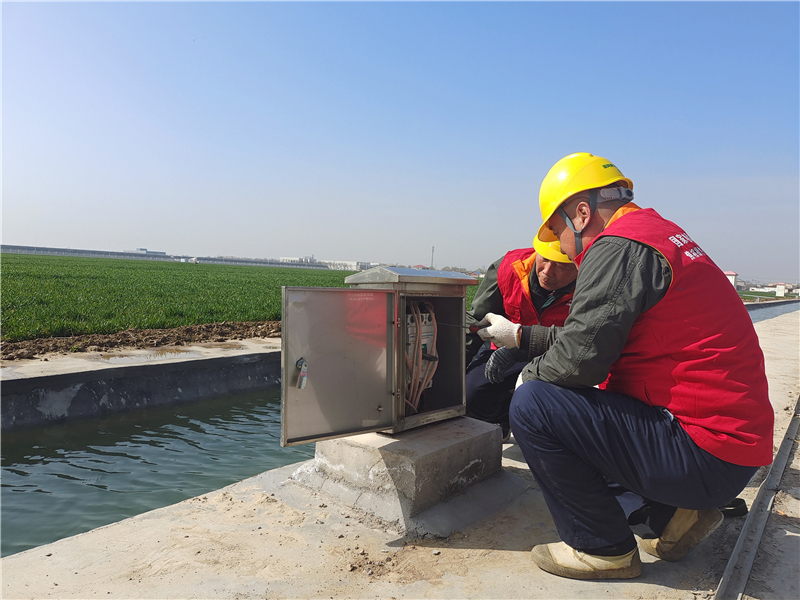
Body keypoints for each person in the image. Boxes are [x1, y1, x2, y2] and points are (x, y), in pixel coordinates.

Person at [475, 152, 773, 580]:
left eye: (557, 230)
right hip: (728, 449)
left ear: (581, 214)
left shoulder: (614, 247)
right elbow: (592, 337)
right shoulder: (653, 234)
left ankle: (602, 547)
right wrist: (522, 338)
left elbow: (578, 361)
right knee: (570, 404)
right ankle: (674, 517)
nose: (561, 246)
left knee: (534, 405)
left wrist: (529, 377)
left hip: (703, 453)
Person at [465, 238, 577, 441]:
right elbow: (477, 321)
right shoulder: (509, 268)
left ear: (579, 264)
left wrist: (523, 348)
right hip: (503, 350)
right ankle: (499, 418)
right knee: (472, 390)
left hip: (560, 356)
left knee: (545, 402)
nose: (547, 271)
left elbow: (585, 339)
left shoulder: (593, 283)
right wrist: (451, 371)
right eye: (544, 259)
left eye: (561, 266)